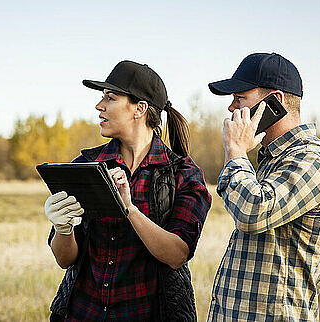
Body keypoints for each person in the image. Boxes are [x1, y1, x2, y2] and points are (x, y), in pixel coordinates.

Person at [44, 60, 212, 321]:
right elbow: (65, 259)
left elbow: (177, 254)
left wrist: (129, 209)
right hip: (81, 313)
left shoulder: (184, 175)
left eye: (110, 98)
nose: (99, 106)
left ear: (140, 108)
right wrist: (63, 229)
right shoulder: (85, 167)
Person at [207, 53, 320, 321]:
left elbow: (252, 212)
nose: (231, 108)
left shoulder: (313, 160)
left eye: (240, 98)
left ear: (276, 102)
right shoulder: (273, 159)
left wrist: (236, 152)